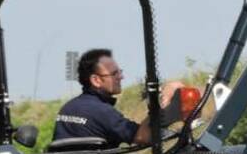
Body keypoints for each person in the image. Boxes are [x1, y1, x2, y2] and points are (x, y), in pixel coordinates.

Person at [53, 48, 184, 147]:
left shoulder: (67, 108)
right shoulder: (102, 111)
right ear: (96, 80)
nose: (121, 77)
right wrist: (158, 104)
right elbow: (142, 137)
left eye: (119, 72)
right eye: (114, 74)